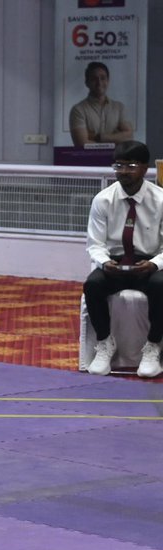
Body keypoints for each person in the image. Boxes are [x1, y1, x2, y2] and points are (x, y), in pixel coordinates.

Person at [83, 140, 163, 378]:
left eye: (131, 166)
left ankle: (153, 346)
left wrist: (154, 264)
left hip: (150, 263)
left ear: (144, 168)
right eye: (118, 166)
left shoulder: (160, 200)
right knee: (93, 284)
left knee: (161, 285)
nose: (123, 172)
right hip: (115, 263)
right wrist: (104, 262)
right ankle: (105, 343)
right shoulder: (103, 199)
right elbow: (94, 244)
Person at [69, 62, 135, 147]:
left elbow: (129, 137)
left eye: (103, 78)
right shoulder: (78, 110)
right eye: (94, 79)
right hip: (89, 160)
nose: (99, 82)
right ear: (87, 82)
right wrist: (116, 139)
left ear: (108, 81)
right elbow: (81, 144)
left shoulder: (119, 107)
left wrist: (99, 137)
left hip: (116, 160)